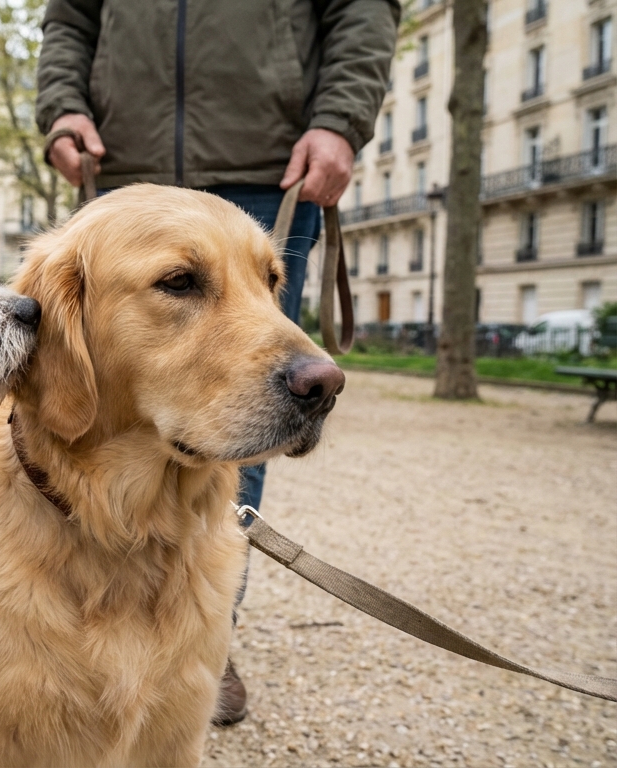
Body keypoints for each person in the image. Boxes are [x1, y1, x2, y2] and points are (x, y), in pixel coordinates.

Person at [37, 0, 399, 723]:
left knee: (236, 414)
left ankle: (201, 636)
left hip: (266, 159)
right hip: (124, 159)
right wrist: (62, 109)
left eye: (273, 283)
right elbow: (70, 17)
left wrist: (340, 121)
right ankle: (53, 624)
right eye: (181, 283)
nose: (322, 372)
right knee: (79, 410)